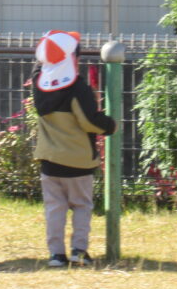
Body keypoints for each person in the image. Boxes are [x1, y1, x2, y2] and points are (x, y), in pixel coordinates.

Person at [31, 30, 116, 267]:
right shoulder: (78, 88)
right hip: (78, 160)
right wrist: (110, 125)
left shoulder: (38, 83)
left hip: (49, 160)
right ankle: (79, 250)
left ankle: (56, 254)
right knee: (81, 206)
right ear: (73, 58)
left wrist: (46, 51)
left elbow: (39, 67)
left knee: (54, 208)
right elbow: (89, 121)